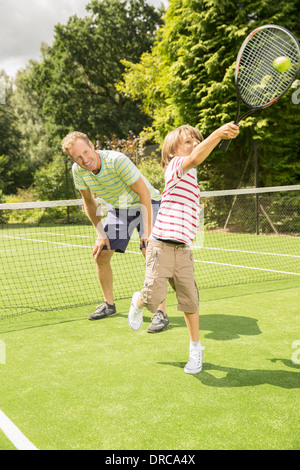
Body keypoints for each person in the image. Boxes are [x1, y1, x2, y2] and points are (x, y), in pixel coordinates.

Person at [128, 122, 240, 374]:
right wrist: (218, 133)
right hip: (160, 247)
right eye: (187, 142)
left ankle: (195, 348)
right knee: (153, 299)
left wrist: (224, 136)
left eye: (196, 141)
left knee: (191, 301)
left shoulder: (192, 178)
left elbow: (201, 153)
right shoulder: (175, 168)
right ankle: (138, 300)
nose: (194, 145)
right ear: (171, 152)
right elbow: (196, 156)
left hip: (184, 251)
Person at [61, 131, 168, 331]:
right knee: (101, 254)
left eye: (86, 152)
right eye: (78, 157)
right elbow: (89, 202)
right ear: (73, 160)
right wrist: (101, 233)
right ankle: (109, 305)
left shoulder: (117, 161)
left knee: (150, 253)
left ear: (92, 145)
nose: (85, 159)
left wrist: (147, 234)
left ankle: (159, 312)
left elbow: (143, 192)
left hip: (148, 202)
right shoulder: (78, 171)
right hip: (120, 208)